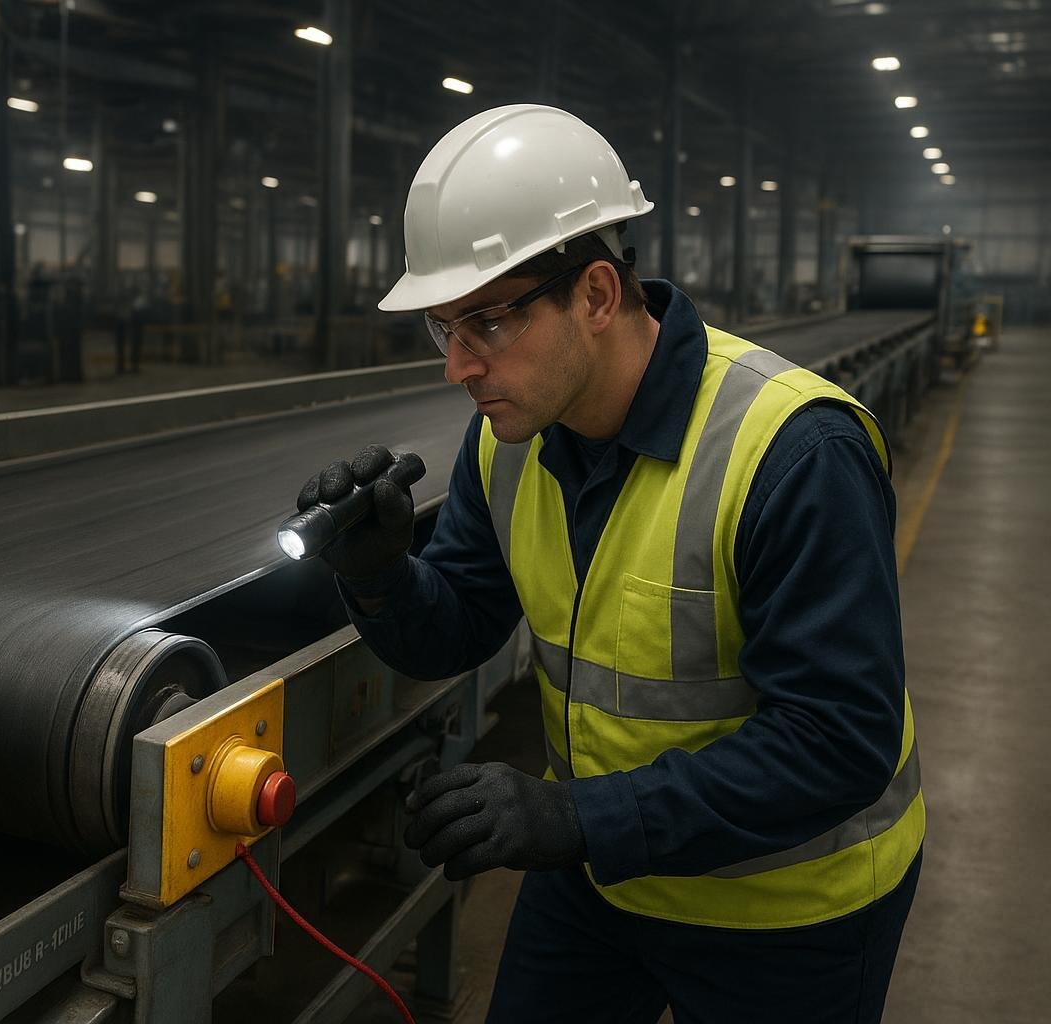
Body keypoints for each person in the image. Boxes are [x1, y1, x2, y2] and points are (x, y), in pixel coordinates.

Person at [295, 104, 924, 1023]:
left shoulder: (793, 454)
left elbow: (838, 743)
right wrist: (382, 572)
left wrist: (570, 819)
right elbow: (459, 627)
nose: (457, 368)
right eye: (442, 330)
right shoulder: (506, 446)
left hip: (788, 911)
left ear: (594, 296)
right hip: (608, 879)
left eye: (486, 324)